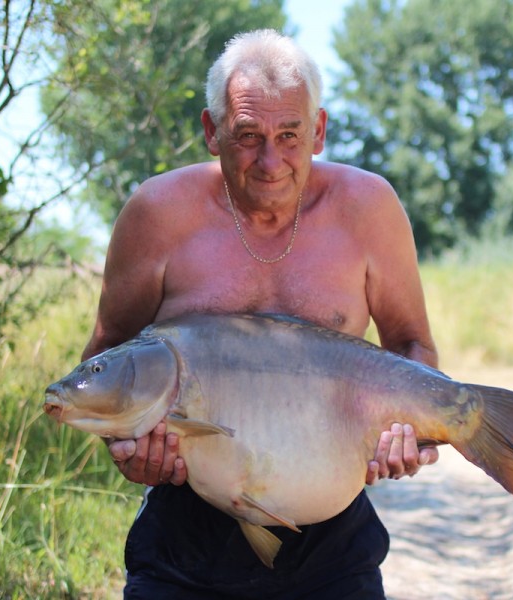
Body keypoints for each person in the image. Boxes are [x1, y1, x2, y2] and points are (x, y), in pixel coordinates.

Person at [82, 29, 440, 599]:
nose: (271, 161)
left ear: (318, 130)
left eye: (290, 135)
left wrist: (407, 435)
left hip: (333, 544)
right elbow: (106, 357)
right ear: (211, 131)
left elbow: (411, 345)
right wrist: (128, 449)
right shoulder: (158, 213)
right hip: (182, 542)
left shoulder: (369, 209)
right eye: (247, 136)